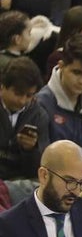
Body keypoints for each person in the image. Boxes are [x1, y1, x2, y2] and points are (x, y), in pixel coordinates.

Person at [0, 56, 49, 187]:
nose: (22, 101)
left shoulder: (39, 116)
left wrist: (30, 150)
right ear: (2, 87)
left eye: (29, 95)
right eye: (18, 93)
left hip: (22, 182)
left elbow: (41, 166)